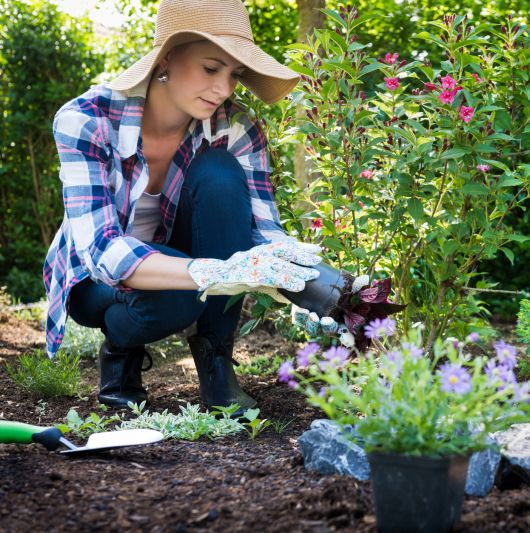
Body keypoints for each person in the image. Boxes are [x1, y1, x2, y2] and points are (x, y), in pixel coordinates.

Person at [42, 0, 337, 417]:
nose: (225, 89)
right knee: (183, 298)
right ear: (165, 59)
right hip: (95, 277)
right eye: (211, 68)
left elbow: (263, 230)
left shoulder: (236, 127)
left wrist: (318, 286)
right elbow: (103, 249)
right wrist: (210, 273)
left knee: (218, 170)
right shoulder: (85, 120)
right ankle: (121, 348)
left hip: (181, 255)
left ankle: (216, 360)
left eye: (234, 74)